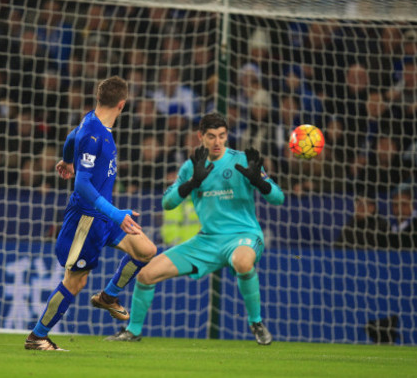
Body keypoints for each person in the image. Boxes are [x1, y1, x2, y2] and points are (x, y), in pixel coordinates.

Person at [105, 112, 285, 345]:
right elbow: (167, 203)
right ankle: (133, 331)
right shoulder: (192, 166)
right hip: (207, 241)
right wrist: (192, 183)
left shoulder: (243, 161)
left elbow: (278, 198)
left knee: (242, 262)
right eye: (211, 136)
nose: (217, 142)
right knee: (146, 275)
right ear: (201, 137)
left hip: (243, 236)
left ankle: (256, 322)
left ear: (227, 136)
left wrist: (259, 181)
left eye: (222, 136)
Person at [24, 76, 157, 351]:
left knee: (145, 250)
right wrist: (117, 214)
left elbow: (72, 136)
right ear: (123, 104)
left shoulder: (91, 122)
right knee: (76, 281)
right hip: (87, 217)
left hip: (104, 215)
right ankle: (37, 337)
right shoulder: (95, 134)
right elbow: (82, 184)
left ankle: (108, 298)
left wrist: (68, 159)